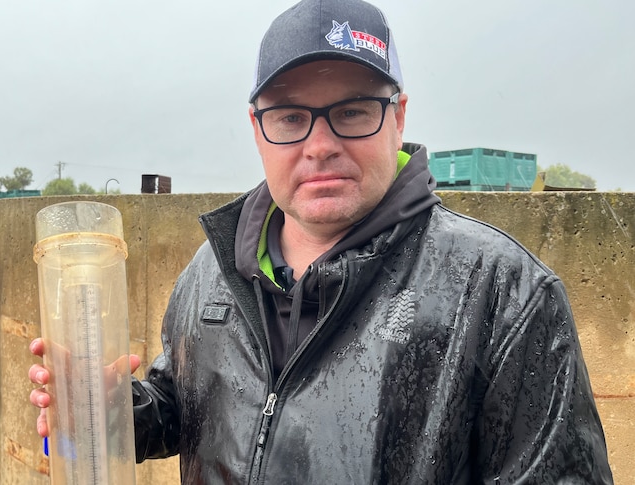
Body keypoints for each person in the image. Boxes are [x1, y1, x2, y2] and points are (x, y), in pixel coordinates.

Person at [30, 0, 614, 482]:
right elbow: (189, 408)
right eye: (289, 118)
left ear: (399, 117)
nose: (320, 144)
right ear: (257, 128)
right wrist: (105, 409)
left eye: (353, 111)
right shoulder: (213, 269)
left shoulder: (503, 294)